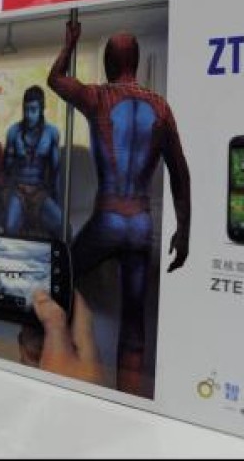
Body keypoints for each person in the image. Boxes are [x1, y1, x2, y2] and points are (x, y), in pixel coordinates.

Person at [47, 21, 191, 397]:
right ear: (137, 63)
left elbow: (55, 79)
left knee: (57, 279)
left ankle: (55, 357)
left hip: (108, 219)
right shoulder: (160, 107)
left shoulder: (97, 97)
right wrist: (184, 231)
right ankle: (130, 403)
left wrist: (69, 43)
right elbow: (181, 174)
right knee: (134, 324)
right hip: (141, 224)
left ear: (109, 63)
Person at [3, 86, 63, 239]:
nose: (29, 115)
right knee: (9, 228)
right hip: (19, 192)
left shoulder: (51, 133)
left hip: (39, 193)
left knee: (62, 226)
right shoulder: (13, 132)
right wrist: (11, 153)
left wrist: (57, 202)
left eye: (33, 110)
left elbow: (56, 172)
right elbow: (6, 171)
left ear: (42, 109)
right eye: (26, 109)